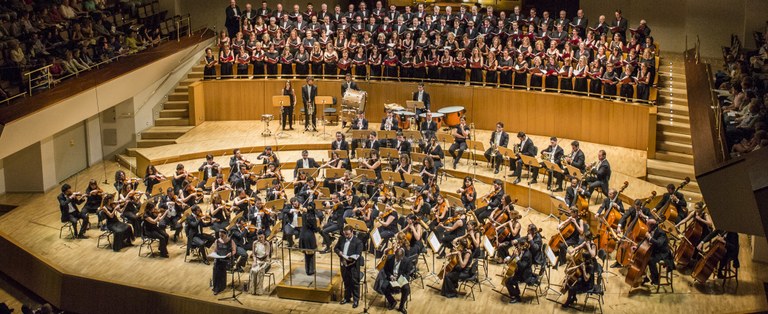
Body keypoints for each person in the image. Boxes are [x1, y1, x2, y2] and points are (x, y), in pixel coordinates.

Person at [375, 247, 413, 313]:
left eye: (400, 258)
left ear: (403, 256)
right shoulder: (389, 258)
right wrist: (390, 276)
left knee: (406, 288)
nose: (398, 259)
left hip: (400, 278)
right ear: (395, 255)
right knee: (383, 287)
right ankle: (392, 302)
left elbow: (407, 274)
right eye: (397, 258)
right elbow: (385, 270)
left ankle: (401, 307)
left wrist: (400, 279)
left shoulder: (407, 261)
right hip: (391, 277)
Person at [335, 226, 364, 308]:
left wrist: (349, 261)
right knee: (346, 282)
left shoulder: (358, 242)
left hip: (353, 267)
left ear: (352, 232)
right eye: (345, 234)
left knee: (355, 283)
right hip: (343, 265)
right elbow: (335, 248)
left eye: (347, 234)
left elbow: (358, 255)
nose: (346, 236)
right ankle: (347, 297)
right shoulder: (342, 238)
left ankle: (356, 300)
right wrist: (339, 253)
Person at [645, 219, 675, 286]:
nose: (647, 227)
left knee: (651, 260)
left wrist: (649, 237)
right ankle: (645, 277)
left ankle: (656, 280)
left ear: (651, 226)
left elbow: (659, 243)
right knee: (644, 257)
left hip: (663, 253)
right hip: (656, 250)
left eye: (647, 226)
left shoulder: (661, 233)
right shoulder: (652, 230)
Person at [212, 229, 237, 295]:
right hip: (219, 258)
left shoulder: (230, 241)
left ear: (226, 234)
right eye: (220, 235)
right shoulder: (217, 241)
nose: (221, 237)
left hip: (227, 259)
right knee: (215, 267)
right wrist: (214, 255)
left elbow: (234, 250)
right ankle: (217, 286)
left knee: (219, 268)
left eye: (222, 235)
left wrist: (230, 254)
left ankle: (218, 287)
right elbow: (215, 250)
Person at [300, 203, 320, 275]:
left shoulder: (304, 214)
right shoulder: (312, 217)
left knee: (306, 254)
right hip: (309, 236)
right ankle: (311, 270)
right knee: (311, 254)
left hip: (302, 234)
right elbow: (315, 229)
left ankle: (307, 270)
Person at [249, 230, 271, 295]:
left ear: (264, 236)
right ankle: (253, 290)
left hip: (265, 261)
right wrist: (255, 261)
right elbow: (254, 254)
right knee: (253, 270)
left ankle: (259, 290)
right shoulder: (255, 243)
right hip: (257, 260)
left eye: (262, 237)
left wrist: (262, 262)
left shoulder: (267, 243)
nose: (260, 239)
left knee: (260, 271)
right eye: (259, 237)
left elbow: (267, 254)